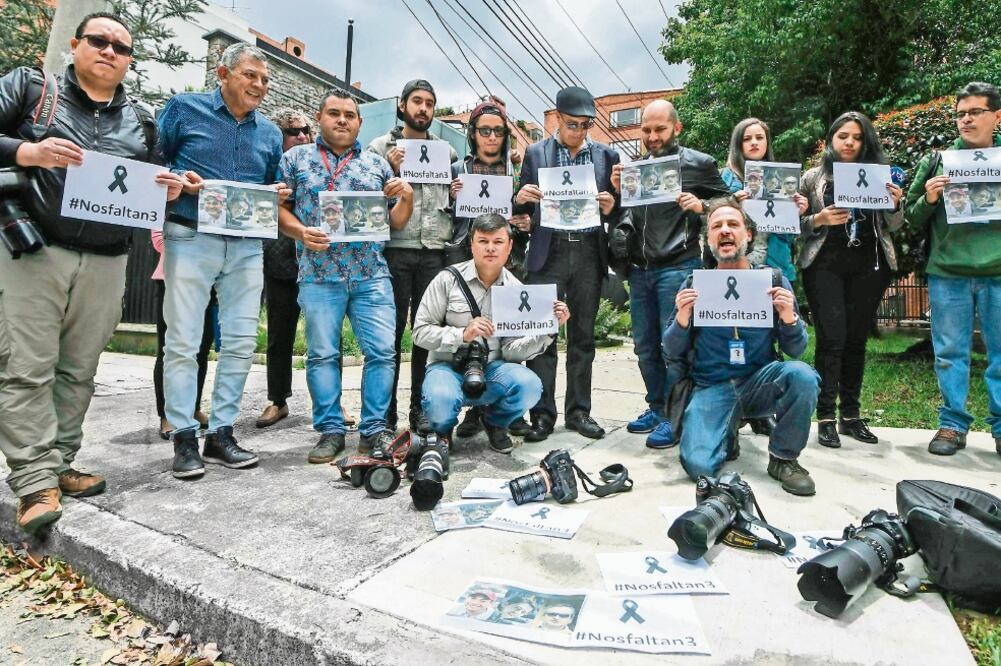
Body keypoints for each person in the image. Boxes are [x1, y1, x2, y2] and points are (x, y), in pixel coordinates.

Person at [0, 11, 184, 532]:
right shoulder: (33, 90)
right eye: (99, 40)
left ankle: (59, 463)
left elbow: (151, 182)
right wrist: (28, 151)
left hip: (108, 258)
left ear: (129, 61)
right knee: (26, 366)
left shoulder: (142, 120)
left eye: (121, 47)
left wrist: (169, 191)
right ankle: (34, 481)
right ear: (76, 44)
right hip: (35, 250)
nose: (109, 51)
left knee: (79, 370)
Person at [158, 42, 288, 479]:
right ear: (223, 73)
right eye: (251, 75)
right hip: (190, 235)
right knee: (183, 339)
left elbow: (270, 184)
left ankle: (221, 433)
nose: (260, 85)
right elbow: (154, 161)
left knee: (240, 341)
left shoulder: (270, 134)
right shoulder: (183, 108)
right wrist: (178, 180)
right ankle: (183, 437)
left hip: (247, 245)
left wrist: (276, 194)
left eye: (265, 79)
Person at [278, 89, 413, 461]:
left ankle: (374, 430)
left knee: (382, 353)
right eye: (334, 113)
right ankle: (330, 431)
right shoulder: (295, 159)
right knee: (322, 355)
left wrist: (407, 197)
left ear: (359, 122)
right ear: (319, 117)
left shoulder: (377, 165)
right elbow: (278, 210)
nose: (342, 120)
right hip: (318, 275)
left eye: (349, 115)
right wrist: (300, 232)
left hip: (371, 274)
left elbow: (396, 222)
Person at [663, 201, 819, 495]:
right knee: (698, 467)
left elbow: (796, 350)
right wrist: (683, 317)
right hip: (712, 386)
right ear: (708, 240)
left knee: (802, 375)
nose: (725, 230)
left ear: (748, 235)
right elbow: (671, 350)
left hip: (759, 382)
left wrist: (788, 318)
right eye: (716, 226)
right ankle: (727, 433)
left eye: (733, 224)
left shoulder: (773, 281)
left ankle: (783, 458)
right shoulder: (695, 284)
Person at [607, 100, 729, 448]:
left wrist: (703, 206)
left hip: (678, 266)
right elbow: (625, 217)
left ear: (677, 128)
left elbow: (732, 203)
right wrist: (617, 193)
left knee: (673, 347)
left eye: (659, 129)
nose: (652, 136)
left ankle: (675, 417)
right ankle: (658, 407)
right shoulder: (635, 168)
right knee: (644, 347)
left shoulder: (699, 163)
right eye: (646, 130)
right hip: (640, 270)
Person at [513, 86, 619, 442]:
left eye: (586, 125)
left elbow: (618, 210)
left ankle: (579, 412)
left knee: (583, 338)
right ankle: (542, 415)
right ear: (557, 118)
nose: (579, 131)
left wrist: (611, 207)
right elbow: (522, 211)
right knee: (543, 335)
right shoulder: (536, 153)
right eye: (573, 124)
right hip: (549, 252)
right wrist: (521, 198)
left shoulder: (606, 156)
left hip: (589, 251)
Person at [413, 214, 569, 453]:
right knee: (440, 400)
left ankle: (495, 422)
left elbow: (512, 352)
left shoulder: (516, 290)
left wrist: (548, 331)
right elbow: (420, 333)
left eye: (498, 242)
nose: (490, 248)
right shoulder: (447, 279)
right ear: (471, 243)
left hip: (492, 370)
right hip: (447, 367)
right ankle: (442, 431)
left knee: (529, 385)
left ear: (509, 246)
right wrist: (462, 334)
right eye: (483, 241)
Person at [905, 81, 1001, 457]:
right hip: (948, 272)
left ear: (996, 116)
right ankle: (952, 425)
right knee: (949, 353)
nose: (966, 119)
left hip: (998, 271)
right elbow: (911, 217)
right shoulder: (938, 161)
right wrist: (930, 198)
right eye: (961, 114)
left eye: (975, 112)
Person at [799, 112, 904, 449]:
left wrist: (895, 204)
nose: (849, 142)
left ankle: (851, 415)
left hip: (870, 265)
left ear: (865, 142)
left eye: (857, 137)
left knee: (856, 340)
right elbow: (794, 225)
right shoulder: (813, 178)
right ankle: (825, 417)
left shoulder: (880, 175)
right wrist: (818, 218)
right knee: (831, 339)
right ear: (831, 139)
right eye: (842, 135)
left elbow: (895, 225)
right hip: (824, 265)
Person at [368, 79, 458, 433]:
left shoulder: (447, 153)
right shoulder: (380, 148)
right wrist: (391, 170)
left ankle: (419, 410)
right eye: (417, 101)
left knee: (426, 336)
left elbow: (455, 202)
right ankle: (384, 414)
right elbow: (368, 201)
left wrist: (458, 192)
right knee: (388, 336)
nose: (423, 108)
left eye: (430, 103)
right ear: (402, 106)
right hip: (395, 250)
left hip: (434, 252)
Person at [716, 118, 809, 438]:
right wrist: (734, 204)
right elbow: (714, 219)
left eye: (760, 137)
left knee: (769, 336)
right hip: (738, 267)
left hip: (773, 263)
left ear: (768, 142)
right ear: (738, 144)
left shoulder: (783, 178)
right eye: (747, 138)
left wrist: (798, 210)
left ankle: (762, 410)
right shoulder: (727, 177)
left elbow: (791, 230)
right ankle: (735, 404)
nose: (754, 143)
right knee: (738, 331)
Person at [446, 101, 531, 440]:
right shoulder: (458, 168)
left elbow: (526, 215)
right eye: (485, 130)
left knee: (510, 333)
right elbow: (444, 217)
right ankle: (474, 407)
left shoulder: (516, 171)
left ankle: (508, 409)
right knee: (471, 334)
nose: (492, 137)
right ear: (473, 134)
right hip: (468, 262)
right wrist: (451, 198)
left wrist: (525, 222)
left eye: (498, 131)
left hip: (508, 262)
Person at [151, 230, 214, 439]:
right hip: (172, 276)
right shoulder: (166, 207)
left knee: (201, 348)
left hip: (206, 278)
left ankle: (193, 408)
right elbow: (158, 240)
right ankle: (167, 415)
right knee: (169, 348)